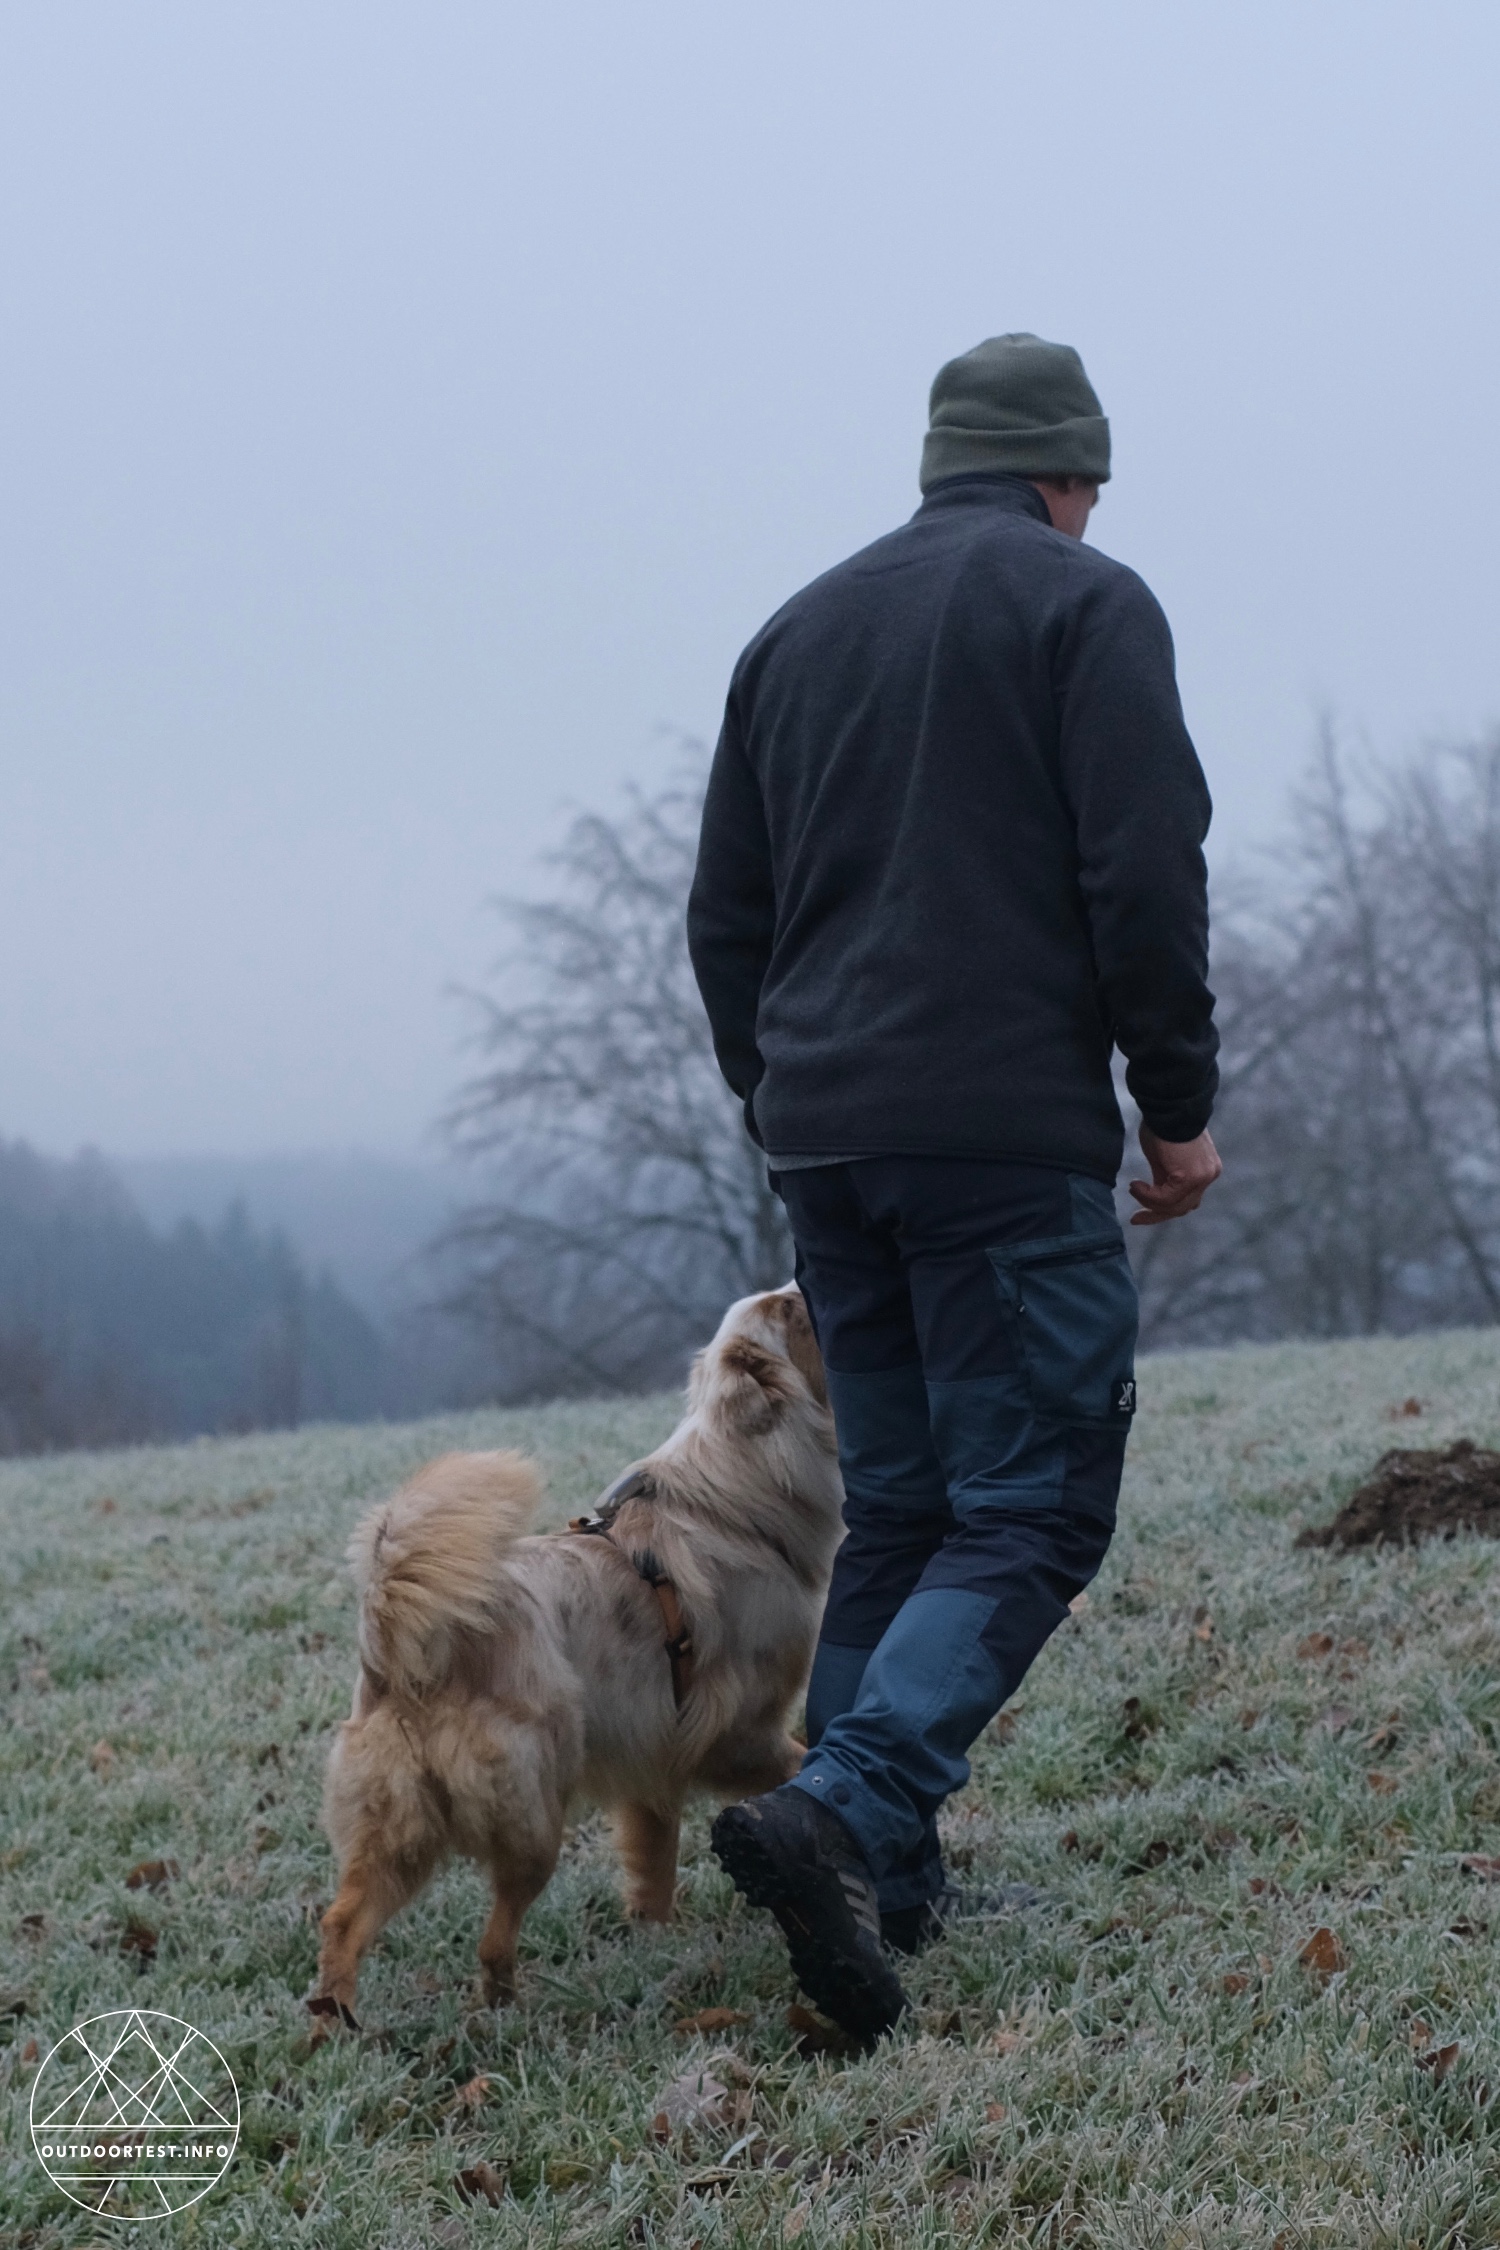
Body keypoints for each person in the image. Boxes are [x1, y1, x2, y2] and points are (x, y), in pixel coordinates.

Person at [686, 332, 1222, 2043]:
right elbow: (1143, 868)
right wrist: (1178, 1109)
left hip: (833, 1146)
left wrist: (791, 1102)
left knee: (910, 1507)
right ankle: (845, 1807)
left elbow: (727, 923)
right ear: (1068, 477)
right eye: (1091, 486)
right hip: (1000, 1139)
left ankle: (881, 1880)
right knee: (1039, 1500)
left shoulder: (795, 632)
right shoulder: (1086, 606)